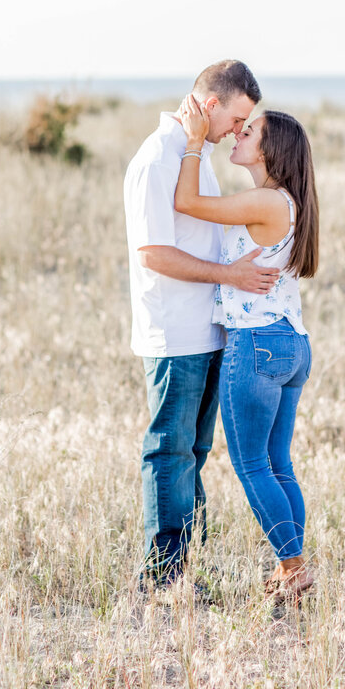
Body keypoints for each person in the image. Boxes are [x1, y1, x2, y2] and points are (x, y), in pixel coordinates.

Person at [124, 60, 280, 589]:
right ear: (211, 105)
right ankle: (162, 576)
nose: (239, 131)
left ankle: (185, 569)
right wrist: (230, 276)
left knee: (193, 451)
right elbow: (154, 254)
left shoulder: (196, 156)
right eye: (237, 119)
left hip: (208, 329)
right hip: (175, 332)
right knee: (169, 448)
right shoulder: (158, 157)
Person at [174, 95, 319, 601]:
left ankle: (294, 566)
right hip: (290, 344)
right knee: (278, 464)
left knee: (254, 465)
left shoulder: (266, 201)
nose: (239, 134)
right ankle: (290, 570)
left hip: (257, 344)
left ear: (269, 152)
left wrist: (194, 143)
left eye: (249, 132)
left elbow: (187, 204)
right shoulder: (287, 202)